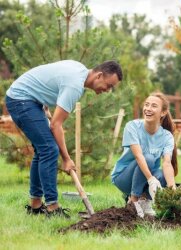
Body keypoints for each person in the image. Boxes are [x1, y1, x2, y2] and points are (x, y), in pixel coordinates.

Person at [5, 60, 123, 218]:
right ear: (99, 75)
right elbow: (56, 125)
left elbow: (49, 78)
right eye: (108, 85)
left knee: (43, 150)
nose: (107, 90)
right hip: (22, 100)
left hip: (30, 100)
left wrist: (45, 105)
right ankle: (52, 207)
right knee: (49, 149)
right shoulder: (75, 85)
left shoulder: (80, 69)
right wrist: (67, 159)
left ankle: (35, 206)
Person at [111, 92, 178, 218]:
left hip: (144, 177)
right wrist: (151, 179)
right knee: (148, 158)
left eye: (153, 106)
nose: (148, 109)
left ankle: (144, 201)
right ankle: (133, 200)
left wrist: (172, 190)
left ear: (163, 112)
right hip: (124, 177)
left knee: (164, 175)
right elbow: (139, 156)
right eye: (146, 105)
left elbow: (167, 163)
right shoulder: (132, 126)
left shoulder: (167, 136)